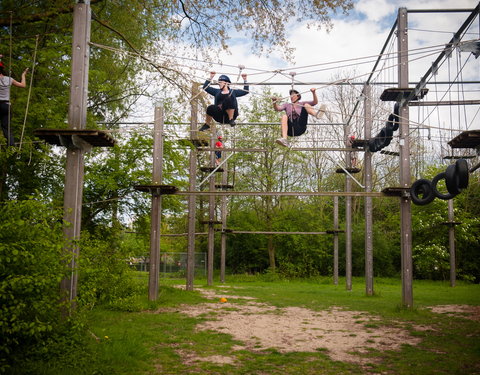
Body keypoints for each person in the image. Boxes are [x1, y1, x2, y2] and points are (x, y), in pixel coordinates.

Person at [0, 60, 28, 146]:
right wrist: (23, 75)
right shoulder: (9, 79)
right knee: (6, 128)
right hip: (6, 105)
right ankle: (11, 145)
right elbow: (23, 85)